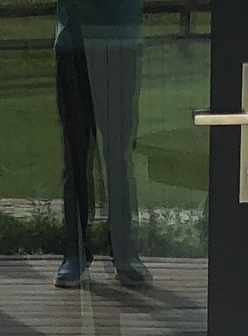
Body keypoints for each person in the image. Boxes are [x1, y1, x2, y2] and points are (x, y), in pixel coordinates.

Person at [56, 0, 149, 288]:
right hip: (74, 43)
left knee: (118, 154)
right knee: (75, 153)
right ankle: (75, 254)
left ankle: (123, 253)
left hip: (121, 40)